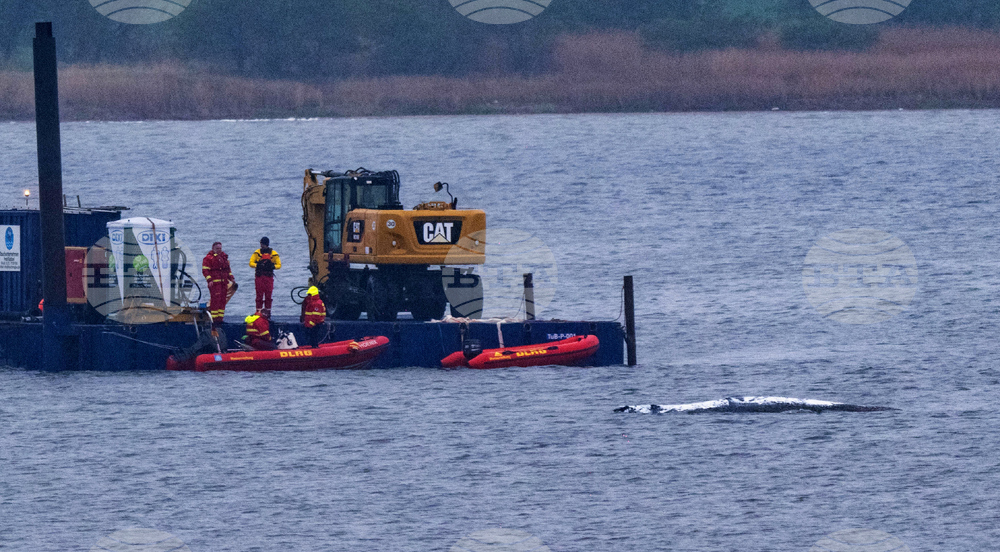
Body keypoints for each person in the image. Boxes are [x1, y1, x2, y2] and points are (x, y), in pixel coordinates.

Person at [202, 242, 235, 327]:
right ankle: (214, 320)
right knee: (215, 301)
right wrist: (209, 280)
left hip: (223, 283)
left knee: (222, 301)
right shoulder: (208, 258)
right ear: (213, 248)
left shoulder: (224, 257)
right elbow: (205, 270)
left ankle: (220, 319)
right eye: (217, 249)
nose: (219, 250)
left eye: (220, 248)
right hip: (215, 284)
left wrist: (231, 278)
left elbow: (228, 270)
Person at [249, 236, 281, 318]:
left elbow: (279, 265)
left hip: (268, 277)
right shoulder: (257, 253)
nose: (261, 246)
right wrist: (258, 265)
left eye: (263, 244)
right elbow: (251, 263)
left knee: (268, 295)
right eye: (261, 244)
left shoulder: (273, 254)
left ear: (266, 244)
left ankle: (267, 313)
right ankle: (258, 312)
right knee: (259, 295)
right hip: (259, 277)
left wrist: (272, 267)